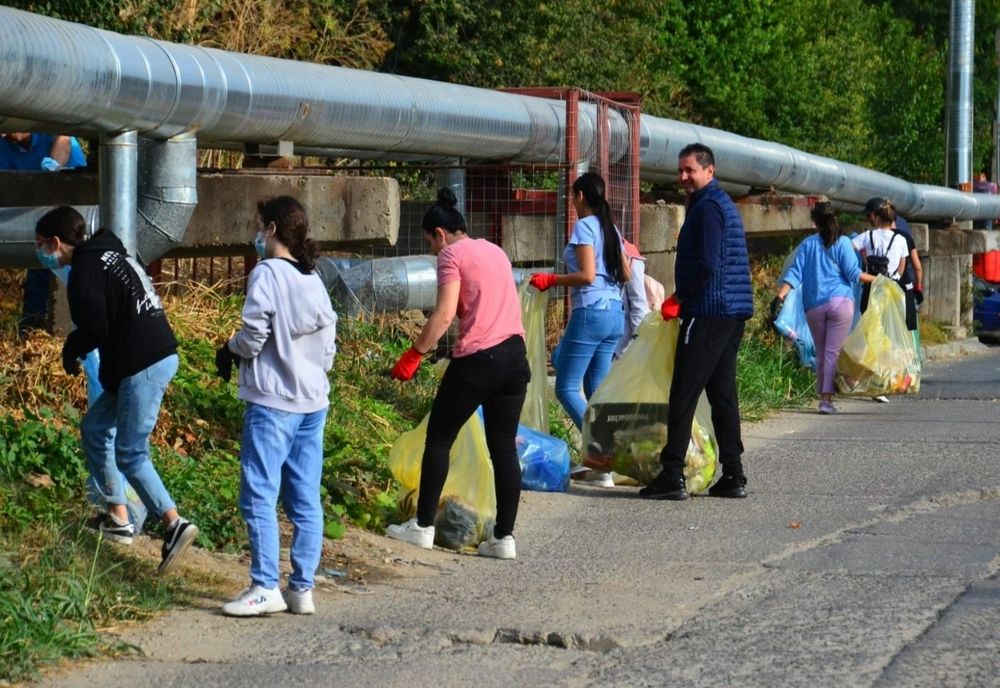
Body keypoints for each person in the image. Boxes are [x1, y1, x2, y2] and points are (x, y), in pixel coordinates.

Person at [34, 206, 198, 575]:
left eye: (41, 245)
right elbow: (115, 322)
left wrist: (71, 347)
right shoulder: (109, 255)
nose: (40, 252)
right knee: (95, 428)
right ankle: (118, 517)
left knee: (130, 453)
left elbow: (95, 329)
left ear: (56, 242)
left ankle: (174, 524)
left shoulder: (84, 270)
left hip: (143, 363)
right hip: (137, 360)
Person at [386, 189, 529, 560]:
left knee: (438, 439)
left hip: (479, 359)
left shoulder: (451, 255)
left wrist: (414, 355)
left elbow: (444, 313)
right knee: (503, 449)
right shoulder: (495, 251)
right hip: (516, 357)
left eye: (430, 243)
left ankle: (422, 527)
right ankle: (503, 538)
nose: (433, 252)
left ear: (440, 234)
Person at [218, 196, 338, 617]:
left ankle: (265, 585)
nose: (256, 234)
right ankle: (301, 588)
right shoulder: (313, 278)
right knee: (305, 498)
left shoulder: (266, 273)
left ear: (271, 229)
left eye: (259, 226)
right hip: (312, 401)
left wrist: (229, 348)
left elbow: (253, 337)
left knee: (259, 493)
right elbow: (328, 348)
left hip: (272, 401)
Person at [639, 143, 753, 501]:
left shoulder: (707, 208)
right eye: (680, 170)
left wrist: (680, 298)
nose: (683, 177)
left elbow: (706, 263)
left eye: (690, 170)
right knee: (722, 394)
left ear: (709, 170)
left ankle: (671, 474)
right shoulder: (717, 203)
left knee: (683, 392)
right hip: (729, 311)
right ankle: (733, 474)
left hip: (708, 311)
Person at [528, 172, 629, 488]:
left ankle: (603, 451)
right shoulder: (610, 227)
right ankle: (604, 470)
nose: (571, 202)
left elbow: (586, 275)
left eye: (572, 196)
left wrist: (552, 280)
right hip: (615, 313)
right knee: (595, 387)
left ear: (580, 196)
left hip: (592, 312)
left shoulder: (585, 225)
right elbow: (626, 273)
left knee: (566, 387)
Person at [772, 203, 875, 414]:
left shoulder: (808, 244)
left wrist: (779, 297)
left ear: (815, 222)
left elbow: (794, 274)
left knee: (822, 353)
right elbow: (854, 274)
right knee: (833, 352)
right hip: (841, 303)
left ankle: (826, 397)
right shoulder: (843, 243)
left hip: (814, 306)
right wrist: (880, 280)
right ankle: (830, 397)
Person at [0, 132, 88, 336]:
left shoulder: (52, 132)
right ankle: (31, 329)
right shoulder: (4, 145)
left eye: (9, 127)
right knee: (38, 273)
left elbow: (64, 140)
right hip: (38, 221)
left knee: (72, 277)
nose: (4, 133)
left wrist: (53, 166)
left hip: (72, 219)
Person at [614, 239, 651, 360]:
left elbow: (638, 301)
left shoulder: (628, 253)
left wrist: (640, 339)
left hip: (619, 344)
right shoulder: (589, 245)